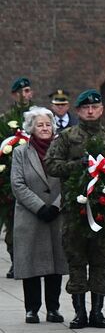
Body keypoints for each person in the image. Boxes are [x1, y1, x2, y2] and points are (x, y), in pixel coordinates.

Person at [45, 89, 105, 328]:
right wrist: (77, 166)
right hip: (75, 210)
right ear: (78, 111)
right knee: (76, 259)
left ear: (101, 109)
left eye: (94, 107)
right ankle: (79, 312)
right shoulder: (67, 137)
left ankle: (97, 311)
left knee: (99, 260)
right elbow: (51, 165)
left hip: (103, 210)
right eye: (85, 108)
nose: (90, 111)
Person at [10, 107, 67, 324]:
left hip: (56, 215)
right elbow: (17, 184)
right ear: (31, 128)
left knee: (55, 264)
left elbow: (68, 181)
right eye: (40, 125)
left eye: (48, 124)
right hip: (31, 215)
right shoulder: (20, 152)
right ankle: (32, 309)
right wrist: (39, 207)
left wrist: (55, 206)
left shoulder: (62, 150)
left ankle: (54, 308)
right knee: (31, 264)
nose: (45, 128)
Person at [1, 76, 35, 277]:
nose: (26, 94)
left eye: (29, 90)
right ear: (14, 95)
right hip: (10, 183)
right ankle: (16, 262)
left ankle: (34, 263)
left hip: (35, 181)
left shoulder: (38, 116)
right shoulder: (6, 120)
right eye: (22, 91)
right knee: (13, 228)